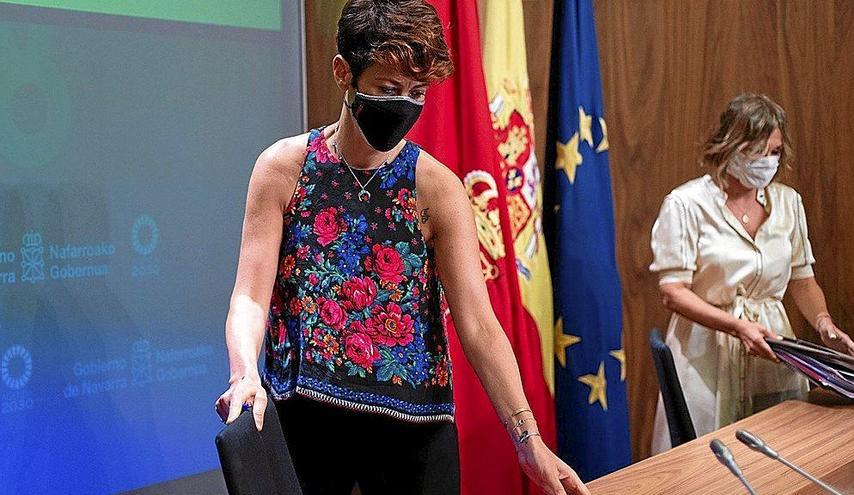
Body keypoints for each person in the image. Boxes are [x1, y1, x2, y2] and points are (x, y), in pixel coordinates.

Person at [214, 1, 589, 494]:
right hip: (304, 423)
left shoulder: (436, 188)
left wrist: (527, 438)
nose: (405, 105)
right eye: (388, 89)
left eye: (417, 92)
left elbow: (477, 322)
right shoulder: (284, 168)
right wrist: (244, 372)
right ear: (343, 72)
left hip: (413, 434)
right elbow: (249, 296)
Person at [649, 93, 854, 453]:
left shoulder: (788, 202)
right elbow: (673, 291)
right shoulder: (686, 204)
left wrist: (824, 322)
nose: (767, 162)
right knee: (706, 464)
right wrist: (737, 327)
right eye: (756, 152)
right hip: (707, 353)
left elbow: (803, 279)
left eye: (775, 152)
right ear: (729, 147)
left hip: (771, 348)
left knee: (780, 456)